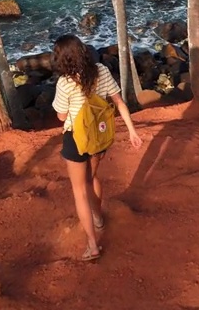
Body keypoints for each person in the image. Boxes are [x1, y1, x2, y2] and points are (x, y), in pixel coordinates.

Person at [51, 34, 143, 261]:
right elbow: (119, 102)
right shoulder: (101, 70)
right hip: (98, 136)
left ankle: (92, 245)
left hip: (76, 139)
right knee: (92, 178)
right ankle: (99, 218)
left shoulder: (65, 83)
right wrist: (132, 131)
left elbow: (62, 117)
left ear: (62, 59)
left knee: (80, 190)